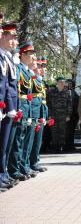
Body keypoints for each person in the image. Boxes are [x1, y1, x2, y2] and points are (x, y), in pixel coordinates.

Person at [8, 41, 38, 181]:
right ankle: (14, 169)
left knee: (23, 140)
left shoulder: (26, 71)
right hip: (21, 108)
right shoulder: (19, 68)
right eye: (30, 54)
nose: (33, 57)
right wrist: (18, 108)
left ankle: (21, 167)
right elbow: (18, 91)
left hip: (28, 109)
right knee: (17, 141)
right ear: (23, 55)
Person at [0, 23, 19, 191]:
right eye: (12, 37)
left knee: (5, 143)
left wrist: (11, 106)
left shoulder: (7, 57)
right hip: (4, 105)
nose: (15, 41)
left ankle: (3, 173)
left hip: (6, 106)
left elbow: (9, 86)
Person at [29, 57, 49, 173]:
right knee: (30, 140)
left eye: (43, 67)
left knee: (38, 140)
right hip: (34, 112)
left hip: (40, 112)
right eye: (41, 66)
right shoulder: (32, 79)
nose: (43, 69)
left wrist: (45, 115)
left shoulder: (40, 81)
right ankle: (28, 164)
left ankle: (35, 161)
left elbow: (43, 100)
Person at [47, 77, 72, 153]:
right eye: (60, 82)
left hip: (63, 115)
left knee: (62, 132)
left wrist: (68, 115)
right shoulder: (51, 92)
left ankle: (61, 146)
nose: (62, 83)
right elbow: (49, 104)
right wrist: (49, 115)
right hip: (53, 115)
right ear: (57, 83)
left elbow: (69, 105)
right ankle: (55, 147)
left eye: (63, 82)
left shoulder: (67, 92)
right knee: (54, 131)